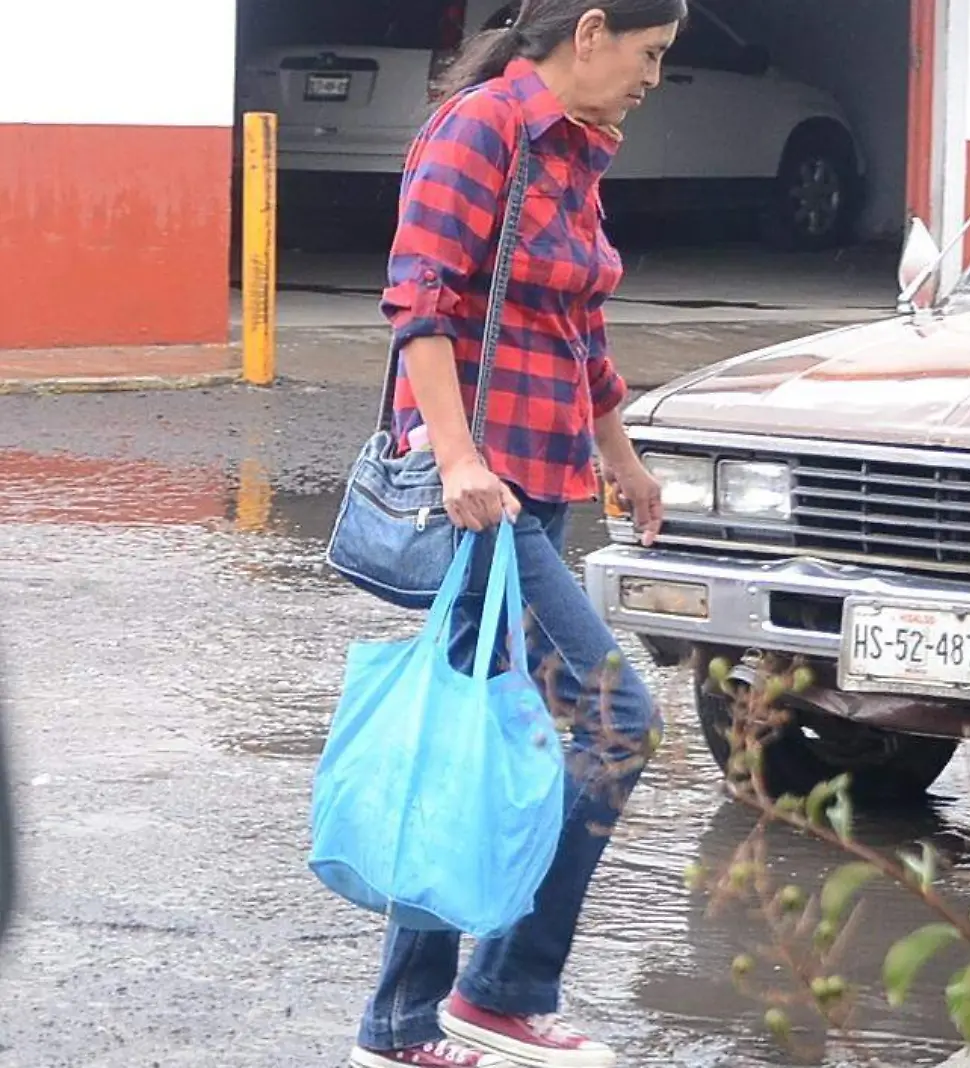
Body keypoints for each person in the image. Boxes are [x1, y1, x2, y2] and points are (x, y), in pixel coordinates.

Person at [348, 2, 687, 1066]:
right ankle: (502, 987)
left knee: (472, 743)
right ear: (590, 31)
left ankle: (403, 1023)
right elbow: (420, 303)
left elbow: (579, 326)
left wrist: (620, 458)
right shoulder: (481, 128)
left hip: (533, 487)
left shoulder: (576, 152)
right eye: (651, 54)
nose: (653, 78)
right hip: (479, 496)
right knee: (619, 719)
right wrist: (455, 456)